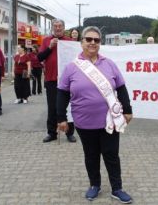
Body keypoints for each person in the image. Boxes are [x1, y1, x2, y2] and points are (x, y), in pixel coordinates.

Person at [56, 26, 133, 203]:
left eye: (96, 40)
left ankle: (117, 188)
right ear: (82, 42)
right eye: (88, 39)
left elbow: (121, 87)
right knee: (91, 155)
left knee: (111, 155)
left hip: (109, 121)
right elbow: (62, 93)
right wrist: (60, 118)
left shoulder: (109, 64)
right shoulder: (71, 68)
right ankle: (94, 185)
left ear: (100, 43)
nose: (92, 43)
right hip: (84, 121)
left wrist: (127, 110)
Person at [38, 19, 76, 143]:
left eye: (60, 26)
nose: (58, 28)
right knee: (52, 107)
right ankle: (52, 133)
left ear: (64, 28)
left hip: (67, 80)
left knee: (68, 107)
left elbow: (76, 59)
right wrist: (50, 47)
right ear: (52, 28)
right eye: (55, 26)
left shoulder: (70, 42)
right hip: (51, 79)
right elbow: (39, 57)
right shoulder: (46, 41)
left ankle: (70, 133)